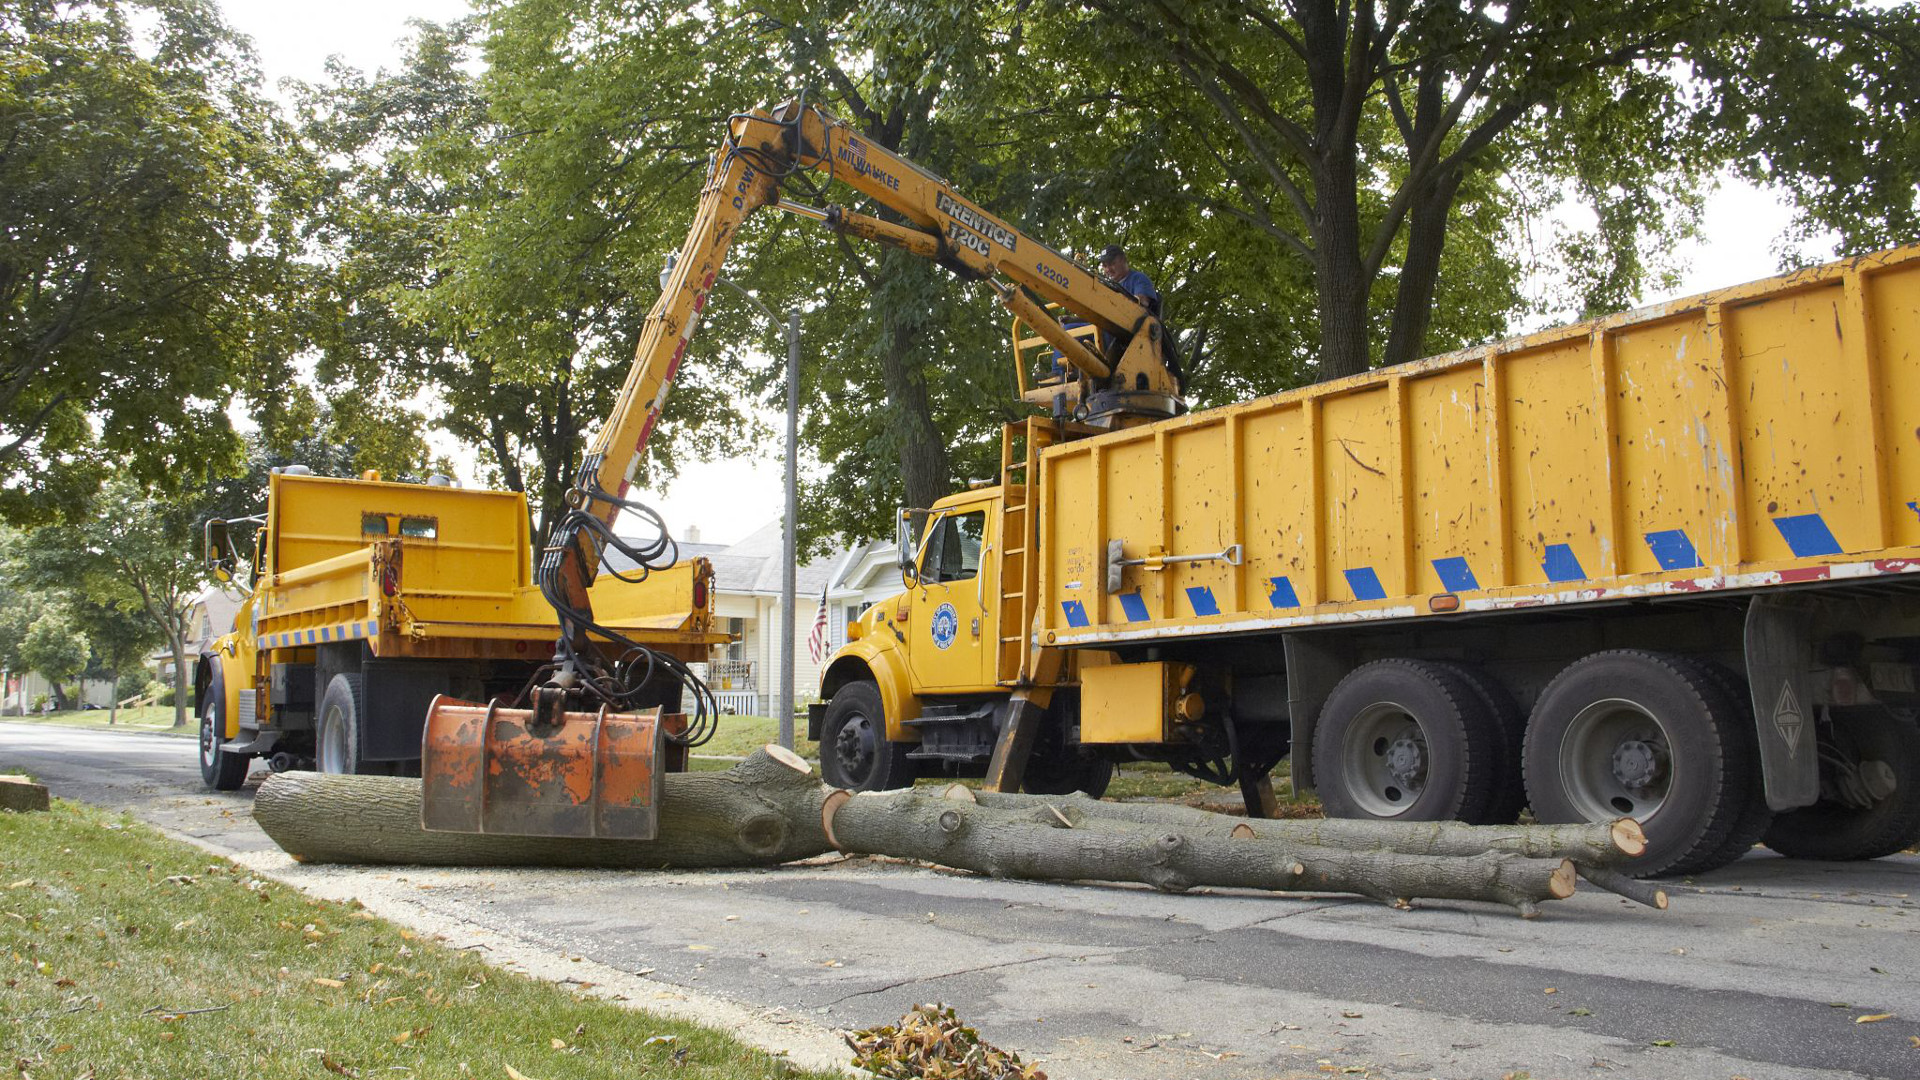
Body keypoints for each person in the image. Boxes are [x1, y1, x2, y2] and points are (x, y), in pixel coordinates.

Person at [1098, 244, 1160, 317]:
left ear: (1123, 259)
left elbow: (1141, 303)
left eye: (1112, 264)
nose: (1108, 270)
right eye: (1105, 266)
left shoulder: (1138, 278)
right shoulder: (1107, 287)